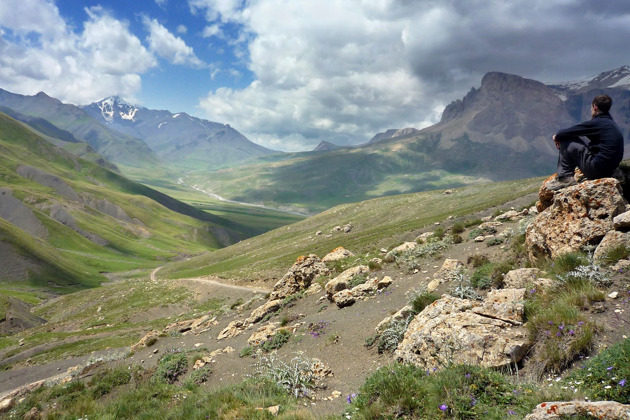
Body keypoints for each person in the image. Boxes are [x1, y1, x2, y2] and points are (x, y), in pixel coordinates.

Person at [547, 94, 624, 191]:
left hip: (597, 170)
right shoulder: (610, 123)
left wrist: (557, 137)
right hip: (609, 170)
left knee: (567, 140)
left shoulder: (598, 122)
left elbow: (565, 132)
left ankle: (565, 178)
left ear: (595, 107)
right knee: (574, 137)